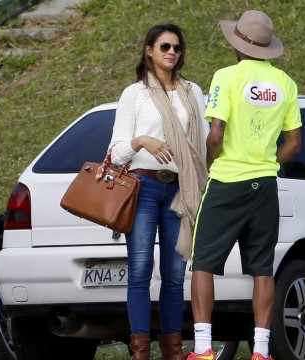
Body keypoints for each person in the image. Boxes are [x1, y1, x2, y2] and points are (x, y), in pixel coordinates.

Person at [186, 10, 302, 360]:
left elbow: (216, 132)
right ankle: (262, 351)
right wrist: (267, 164)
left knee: (203, 264)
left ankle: (204, 348)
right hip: (265, 185)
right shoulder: (286, 83)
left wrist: (211, 160)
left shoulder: (227, 76)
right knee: (262, 270)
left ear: (238, 44)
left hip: (226, 181)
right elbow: (294, 144)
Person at [108, 23, 209, 360]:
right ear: (149, 50)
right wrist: (141, 141)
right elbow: (116, 152)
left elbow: (205, 144)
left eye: (177, 48)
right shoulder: (133, 94)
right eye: (164, 46)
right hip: (144, 186)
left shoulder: (192, 92)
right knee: (139, 271)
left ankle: (173, 349)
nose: (171, 53)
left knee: (175, 275)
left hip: (181, 189)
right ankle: (139, 350)